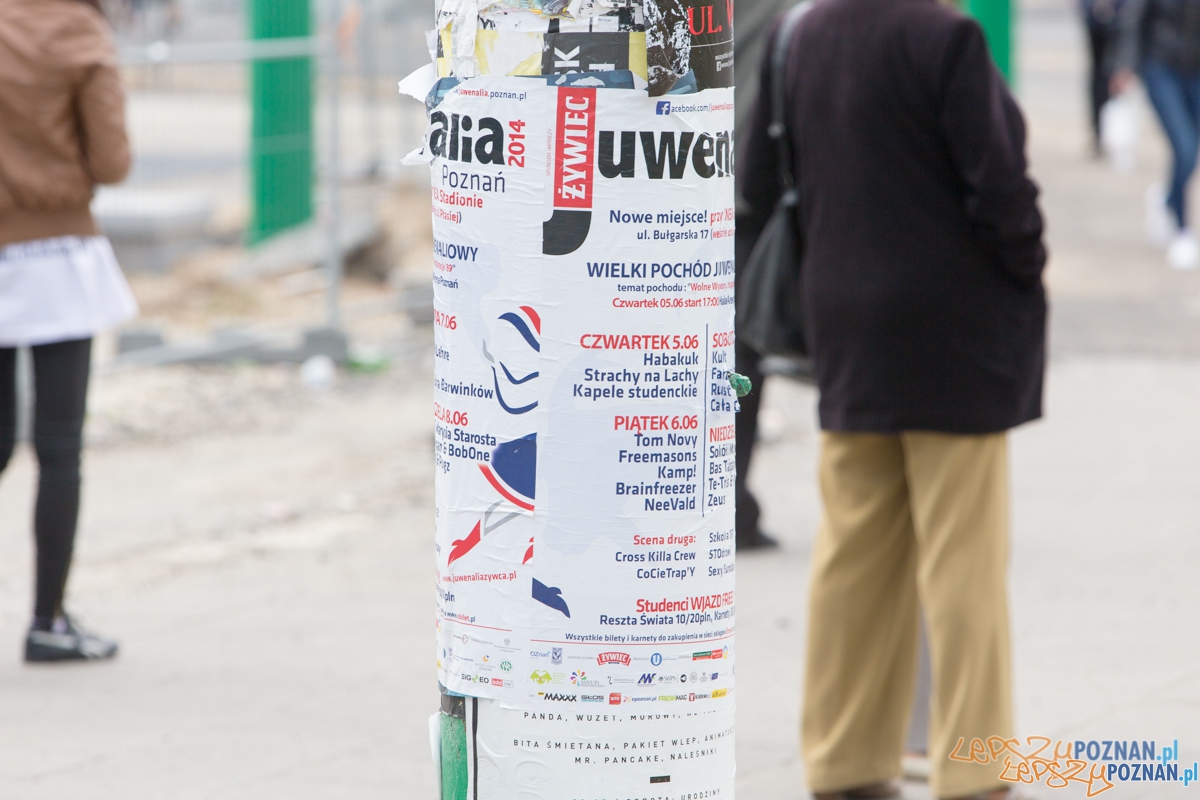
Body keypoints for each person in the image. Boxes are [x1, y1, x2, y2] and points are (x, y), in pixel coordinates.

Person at [740, 1, 1047, 798]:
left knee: (853, 553)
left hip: (844, 325)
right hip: (953, 337)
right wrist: (1024, 269)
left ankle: (843, 759)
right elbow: (1001, 187)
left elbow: (759, 181)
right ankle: (973, 768)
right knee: (962, 561)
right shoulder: (947, 37)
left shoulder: (797, 34)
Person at [0, 0, 136, 661]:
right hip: (56, 255)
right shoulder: (78, 30)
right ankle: (47, 622)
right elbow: (112, 161)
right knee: (59, 450)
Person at [731, 0, 793, 552]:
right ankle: (729, 505)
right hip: (747, 194)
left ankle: (721, 502)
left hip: (676, 180)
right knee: (741, 353)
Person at [1111, 0, 1200, 270]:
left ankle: (1167, 199)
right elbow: (1134, 18)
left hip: (1196, 69)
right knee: (1184, 146)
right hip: (1161, 65)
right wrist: (1124, 66)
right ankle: (1182, 227)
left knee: (1192, 148)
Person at [1082, 0, 1126, 155]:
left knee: (1114, 75)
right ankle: (1100, 133)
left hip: (1122, 15)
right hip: (1096, 17)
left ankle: (1112, 134)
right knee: (1099, 76)